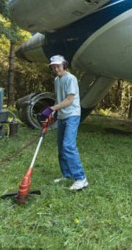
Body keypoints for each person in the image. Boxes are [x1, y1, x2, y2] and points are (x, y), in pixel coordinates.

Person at [41, 55, 88, 191]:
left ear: (64, 65)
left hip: (72, 115)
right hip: (62, 116)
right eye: (53, 67)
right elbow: (59, 98)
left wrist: (51, 108)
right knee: (61, 147)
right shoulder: (57, 80)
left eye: (58, 66)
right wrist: (53, 113)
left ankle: (81, 178)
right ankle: (67, 175)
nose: (56, 69)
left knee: (68, 146)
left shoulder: (70, 79)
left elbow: (69, 100)